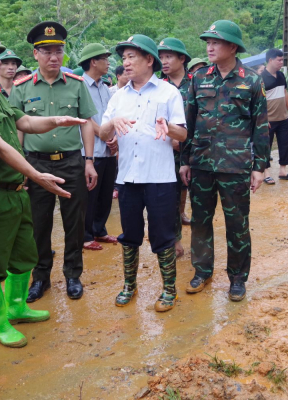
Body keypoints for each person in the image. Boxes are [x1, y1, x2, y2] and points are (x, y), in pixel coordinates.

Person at [0, 31, 87, 348]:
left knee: (24, 254)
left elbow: (24, 123)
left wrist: (57, 120)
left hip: (16, 190)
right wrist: (38, 174)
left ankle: (17, 306)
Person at [9, 21, 98, 303]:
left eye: (58, 51)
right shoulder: (21, 88)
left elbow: (86, 124)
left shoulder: (76, 85)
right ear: (35, 55)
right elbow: (17, 129)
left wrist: (89, 161)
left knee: (75, 222)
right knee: (39, 223)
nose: (53, 57)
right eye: (46, 51)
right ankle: (41, 278)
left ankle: (73, 275)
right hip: (36, 164)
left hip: (71, 162)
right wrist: (22, 168)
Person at [180, 20, 269, 301]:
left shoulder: (252, 80)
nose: (209, 46)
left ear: (232, 47)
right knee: (200, 222)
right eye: (207, 42)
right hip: (202, 163)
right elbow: (188, 123)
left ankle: (237, 279)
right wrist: (185, 161)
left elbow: (261, 126)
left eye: (215, 42)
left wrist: (259, 167)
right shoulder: (199, 78)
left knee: (237, 224)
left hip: (236, 166)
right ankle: (202, 272)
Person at [99, 34, 187, 312]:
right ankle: (129, 285)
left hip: (160, 177)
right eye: (123, 57)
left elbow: (182, 133)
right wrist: (113, 122)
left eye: (131, 57)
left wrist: (167, 126)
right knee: (130, 234)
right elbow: (102, 133)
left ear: (149, 60)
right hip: (127, 178)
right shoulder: (118, 97)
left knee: (162, 234)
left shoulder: (168, 93)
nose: (125, 62)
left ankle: (169, 290)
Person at [78, 43, 119, 251]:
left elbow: (110, 117)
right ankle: (85, 235)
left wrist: (113, 138)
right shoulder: (79, 85)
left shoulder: (105, 87)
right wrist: (106, 135)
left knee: (104, 193)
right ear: (93, 61)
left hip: (108, 150)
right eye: (104, 58)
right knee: (89, 195)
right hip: (91, 151)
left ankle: (99, 230)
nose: (108, 62)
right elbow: (86, 119)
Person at [158, 37, 193, 258]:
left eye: (169, 56)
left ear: (182, 58)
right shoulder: (158, 87)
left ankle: (200, 244)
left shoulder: (198, 82)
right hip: (167, 151)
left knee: (197, 196)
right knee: (169, 197)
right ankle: (175, 240)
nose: (164, 61)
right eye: (160, 57)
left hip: (196, 151)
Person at [261, 48, 288, 184]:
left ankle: (283, 170)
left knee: (284, 144)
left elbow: (285, 92)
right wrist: (263, 118)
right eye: (279, 60)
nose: (281, 62)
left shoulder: (281, 75)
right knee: (266, 147)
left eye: (283, 60)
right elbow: (258, 100)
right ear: (270, 60)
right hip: (269, 120)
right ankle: (266, 172)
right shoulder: (261, 78)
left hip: (283, 118)